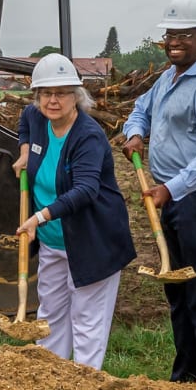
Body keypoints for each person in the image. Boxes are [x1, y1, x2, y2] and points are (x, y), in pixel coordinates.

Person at [123, 0, 196, 382]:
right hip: (172, 195)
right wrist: (136, 134)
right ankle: (186, 374)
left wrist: (171, 189)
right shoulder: (167, 79)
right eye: (170, 34)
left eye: (183, 35)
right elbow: (140, 109)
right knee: (177, 287)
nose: (173, 42)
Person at [13, 54, 136, 369]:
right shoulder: (38, 117)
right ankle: (51, 385)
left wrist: (38, 217)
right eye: (45, 93)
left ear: (76, 96)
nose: (52, 100)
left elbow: (84, 191)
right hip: (54, 242)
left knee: (87, 321)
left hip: (93, 241)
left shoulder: (88, 136)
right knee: (50, 316)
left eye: (62, 93)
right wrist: (25, 151)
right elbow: (25, 121)